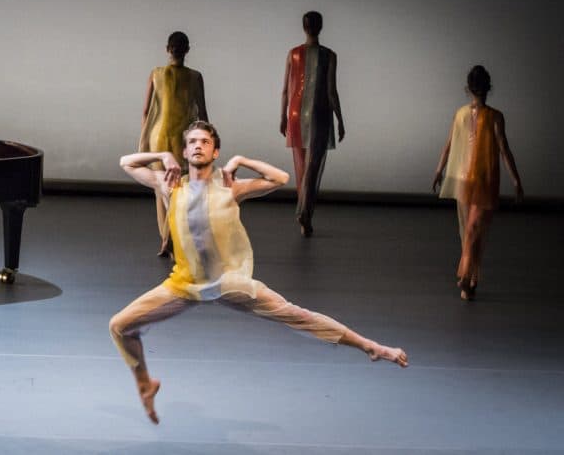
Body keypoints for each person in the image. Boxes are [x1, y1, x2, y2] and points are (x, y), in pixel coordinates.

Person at [111, 121, 407, 424]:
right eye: (192, 142)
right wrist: (162, 154)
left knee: (298, 316)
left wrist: (240, 161)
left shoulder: (229, 187)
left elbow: (280, 177)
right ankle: (145, 383)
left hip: (229, 282)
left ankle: (371, 347)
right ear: (185, 151)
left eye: (205, 142)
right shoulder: (170, 184)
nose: (198, 146)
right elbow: (126, 162)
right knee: (119, 326)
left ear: (215, 151)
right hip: (183, 285)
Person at [432, 66, 523, 300]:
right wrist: (516, 181)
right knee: (473, 232)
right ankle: (470, 280)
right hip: (480, 179)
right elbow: (503, 150)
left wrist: (439, 171)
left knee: (469, 231)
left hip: (469, 179)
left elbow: (450, 145)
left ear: (467, 88)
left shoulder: (472, 115)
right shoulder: (485, 116)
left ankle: (467, 278)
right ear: (488, 87)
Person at [138, 31, 208, 256]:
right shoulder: (195, 77)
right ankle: (169, 237)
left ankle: (165, 238)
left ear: (168, 49)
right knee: (179, 189)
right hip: (182, 138)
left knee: (161, 189)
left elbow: (146, 111)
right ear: (187, 50)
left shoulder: (156, 74)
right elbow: (202, 113)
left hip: (158, 136)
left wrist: (145, 137)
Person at [279, 11, 344, 237]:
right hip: (319, 113)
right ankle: (305, 213)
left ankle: (303, 214)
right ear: (320, 26)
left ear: (304, 27)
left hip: (296, 113)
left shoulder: (293, 54)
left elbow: (286, 89)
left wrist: (282, 116)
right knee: (312, 168)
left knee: (301, 166)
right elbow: (331, 91)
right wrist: (340, 118)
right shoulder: (329, 55)